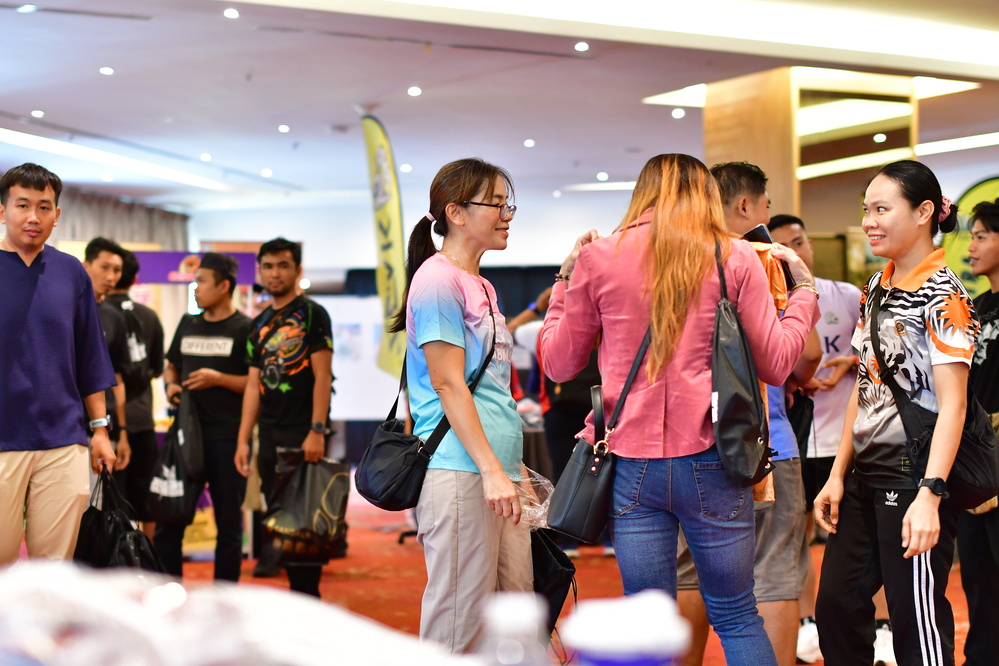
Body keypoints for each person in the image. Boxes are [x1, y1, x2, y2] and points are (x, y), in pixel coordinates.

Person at [541, 153, 820, 666]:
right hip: (716, 458)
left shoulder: (599, 257)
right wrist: (803, 292)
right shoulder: (735, 256)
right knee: (737, 614)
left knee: (648, 618)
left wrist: (564, 278)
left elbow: (558, 363)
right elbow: (778, 363)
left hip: (629, 463)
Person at [814, 160, 973, 666]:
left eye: (881, 209)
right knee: (836, 607)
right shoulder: (876, 288)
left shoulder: (946, 296)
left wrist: (931, 494)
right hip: (863, 477)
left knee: (915, 623)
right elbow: (865, 388)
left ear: (924, 212)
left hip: (914, 479)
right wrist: (837, 474)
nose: (869, 222)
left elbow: (954, 405)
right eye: (867, 210)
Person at [677, 163, 821, 666]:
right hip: (763, 442)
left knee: (688, 571)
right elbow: (803, 357)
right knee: (774, 571)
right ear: (745, 206)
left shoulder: (675, 260)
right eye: (763, 206)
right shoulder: (764, 258)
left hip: (687, 445)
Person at [390, 158, 531, 653]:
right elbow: (448, 384)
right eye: (496, 204)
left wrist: (508, 467)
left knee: (516, 622)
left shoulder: (481, 284)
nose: (506, 215)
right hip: (461, 468)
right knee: (458, 627)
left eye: (508, 204)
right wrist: (492, 469)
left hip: (496, 469)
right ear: (455, 212)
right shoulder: (437, 280)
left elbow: (491, 389)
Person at [766, 214, 881, 664]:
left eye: (800, 242)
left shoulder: (847, 295)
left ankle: (880, 627)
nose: (795, 252)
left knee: (857, 536)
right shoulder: (769, 297)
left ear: (809, 244)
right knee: (797, 538)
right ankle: (807, 624)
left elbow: (873, 353)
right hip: (795, 439)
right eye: (783, 246)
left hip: (843, 440)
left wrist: (846, 364)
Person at [0, 163, 117, 565]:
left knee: (54, 568)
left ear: (57, 215)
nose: (33, 217)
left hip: (64, 439)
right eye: (22, 205)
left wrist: (100, 429)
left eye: (44, 207)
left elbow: (90, 355)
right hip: (2, 439)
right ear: (3, 211)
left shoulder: (72, 273)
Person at [235, 238, 333, 597]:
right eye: (268, 266)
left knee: (304, 525)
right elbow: (252, 385)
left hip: (303, 432)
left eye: (283, 265)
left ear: (297, 270)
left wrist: (317, 430)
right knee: (277, 519)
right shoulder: (257, 323)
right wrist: (243, 439)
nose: (275, 273)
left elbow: (323, 376)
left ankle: (308, 598)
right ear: (259, 271)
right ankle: (294, 596)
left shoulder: (313, 314)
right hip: (269, 434)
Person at [159, 252, 251, 582]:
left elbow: (256, 385)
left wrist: (219, 379)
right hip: (185, 437)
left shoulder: (245, 328)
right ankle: (169, 594)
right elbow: (171, 365)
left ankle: (224, 599)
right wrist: (170, 385)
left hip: (227, 439)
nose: (195, 288)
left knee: (228, 526)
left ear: (224, 286)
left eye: (201, 281)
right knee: (169, 521)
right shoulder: (188, 323)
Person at [957, 197, 999, 666]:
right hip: (973, 453)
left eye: (981, 236)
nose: (971, 246)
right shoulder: (974, 308)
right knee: (977, 573)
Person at [104, 247, 164, 538]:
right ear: (135, 278)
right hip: (141, 418)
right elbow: (157, 368)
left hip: (106, 420)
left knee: (109, 500)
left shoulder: (98, 313)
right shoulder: (148, 316)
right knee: (146, 495)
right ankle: (145, 555)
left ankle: (114, 557)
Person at [82, 238, 133, 476]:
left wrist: (122, 432)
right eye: (104, 267)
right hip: (65, 426)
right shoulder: (64, 308)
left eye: (117, 270)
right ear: (86, 266)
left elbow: (117, 379)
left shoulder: (114, 318)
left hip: (102, 427)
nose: (111, 277)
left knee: (96, 496)